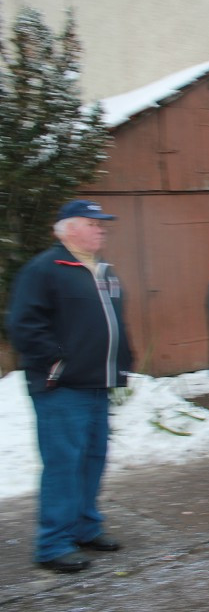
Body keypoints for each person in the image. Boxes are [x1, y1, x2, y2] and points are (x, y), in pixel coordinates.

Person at [7, 200, 134, 573]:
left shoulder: (104, 271)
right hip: (61, 388)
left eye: (102, 224)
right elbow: (24, 325)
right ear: (68, 229)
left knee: (92, 460)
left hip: (98, 384)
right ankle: (52, 544)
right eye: (93, 224)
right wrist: (57, 363)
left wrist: (122, 367)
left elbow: (113, 326)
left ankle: (84, 527)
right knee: (63, 464)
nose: (101, 229)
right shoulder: (45, 269)